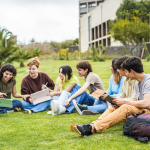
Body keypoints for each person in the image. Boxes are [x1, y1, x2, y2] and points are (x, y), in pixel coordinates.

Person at [72, 57, 150, 136]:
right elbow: (136, 101)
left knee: (125, 107)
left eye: (126, 72)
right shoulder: (137, 83)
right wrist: (117, 101)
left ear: (132, 71)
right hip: (141, 110)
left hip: (147, 112)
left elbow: (147, 104)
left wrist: (124, 102)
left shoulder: (148, 81)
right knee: (114, 107)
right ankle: (91, 125)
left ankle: (93, 128)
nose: (125, 74)